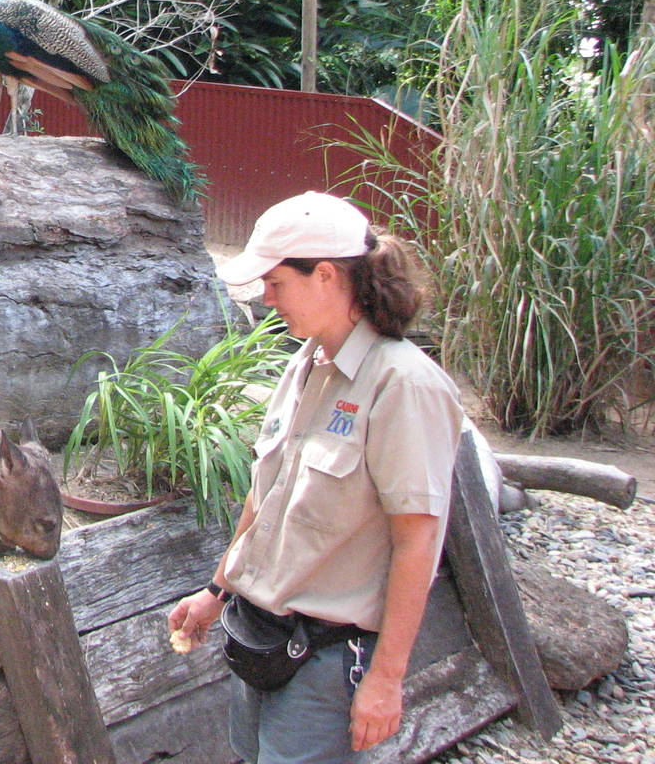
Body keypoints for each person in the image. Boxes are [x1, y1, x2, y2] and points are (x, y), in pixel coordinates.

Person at [167, 190, 463, 763]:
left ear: (326, 274)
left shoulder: (402, 385)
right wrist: (215, 591)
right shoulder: (307, 363)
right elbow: (265, 496)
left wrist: (385, 678)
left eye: (276, 284)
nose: (267, 300)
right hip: (259, 637)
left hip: (328, 659)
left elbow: (417, 540)